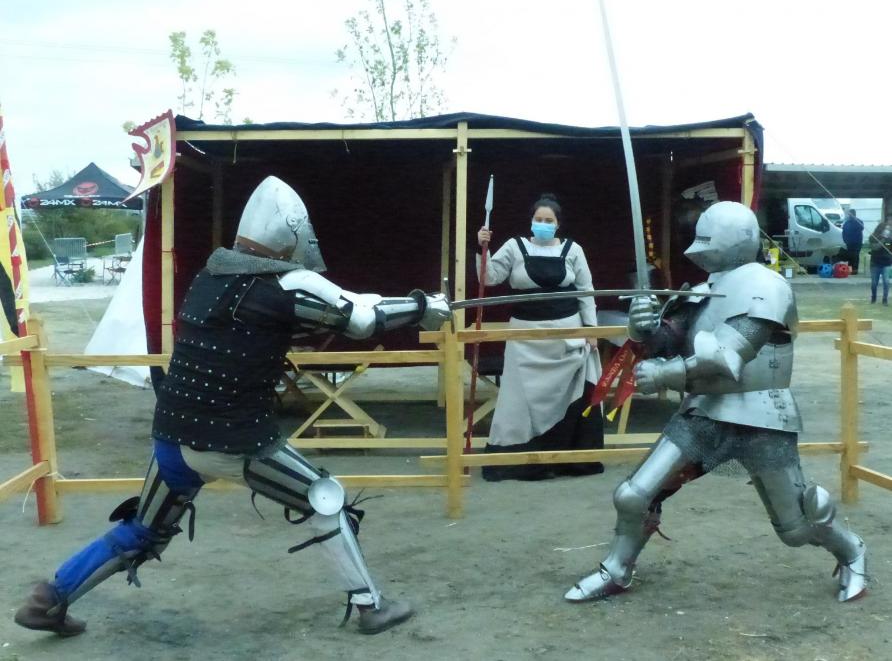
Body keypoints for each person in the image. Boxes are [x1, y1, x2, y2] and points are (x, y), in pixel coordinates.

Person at [14, 176, 451, 637]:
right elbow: (361, 318)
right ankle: (371, 606)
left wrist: (400, 302)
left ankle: (49, 600)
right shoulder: (288, 283)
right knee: (326, 500)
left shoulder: (213, 277)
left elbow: (349, 304)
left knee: (144, 529)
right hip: (233, 440)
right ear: (292, 234)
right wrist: (423, 305)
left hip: (174, 435)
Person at [564, 201, 867, 604]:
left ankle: (851, 551)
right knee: (634, 495)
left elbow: (728, 357)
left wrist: (666, 374)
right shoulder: (704, 291)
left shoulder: (767, 286)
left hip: (762, 415)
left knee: (795, 528)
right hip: (703, 411)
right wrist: (643, 329)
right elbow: (666, 343)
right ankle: (617, 569)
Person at [475, 193, 604, 481]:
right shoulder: (514, 247)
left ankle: (568, 459)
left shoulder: (573, 250)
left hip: (566, 337)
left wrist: (592, 331)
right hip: (525, 339)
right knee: (518, 400)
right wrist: (481, 247)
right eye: (538, 220)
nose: (543, 224)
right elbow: (489, 277)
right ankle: (521, 462)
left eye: (549, 220)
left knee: (571, 395)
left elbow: (586, 292)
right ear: (531, 221)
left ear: (558, 224)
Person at [868, 214, 892, 305]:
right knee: (874, 283)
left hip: (886, 263)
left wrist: (889, 245)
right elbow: (875, 248)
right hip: (875, 263)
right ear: (880, 230)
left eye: (888, 230)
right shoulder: (873, 237)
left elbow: (889, 247)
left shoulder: (889, 239)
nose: (888, 232)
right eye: (886, 230)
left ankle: (885, 299)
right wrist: (882, 240)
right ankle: (873, 297)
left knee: (886, 282)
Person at [841, 209, 864, 274]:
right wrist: (845, 240)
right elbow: (844, 232)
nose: (849, 215)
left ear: (854, 214)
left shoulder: (859, 222)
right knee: (850, 257)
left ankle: (855, 271)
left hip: (857, 243)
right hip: (849, 243)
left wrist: (855, 219)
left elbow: (861, 228)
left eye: (850, 214)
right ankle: (850, 270)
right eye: (849, 214)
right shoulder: (847, 222)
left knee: (856, 256)